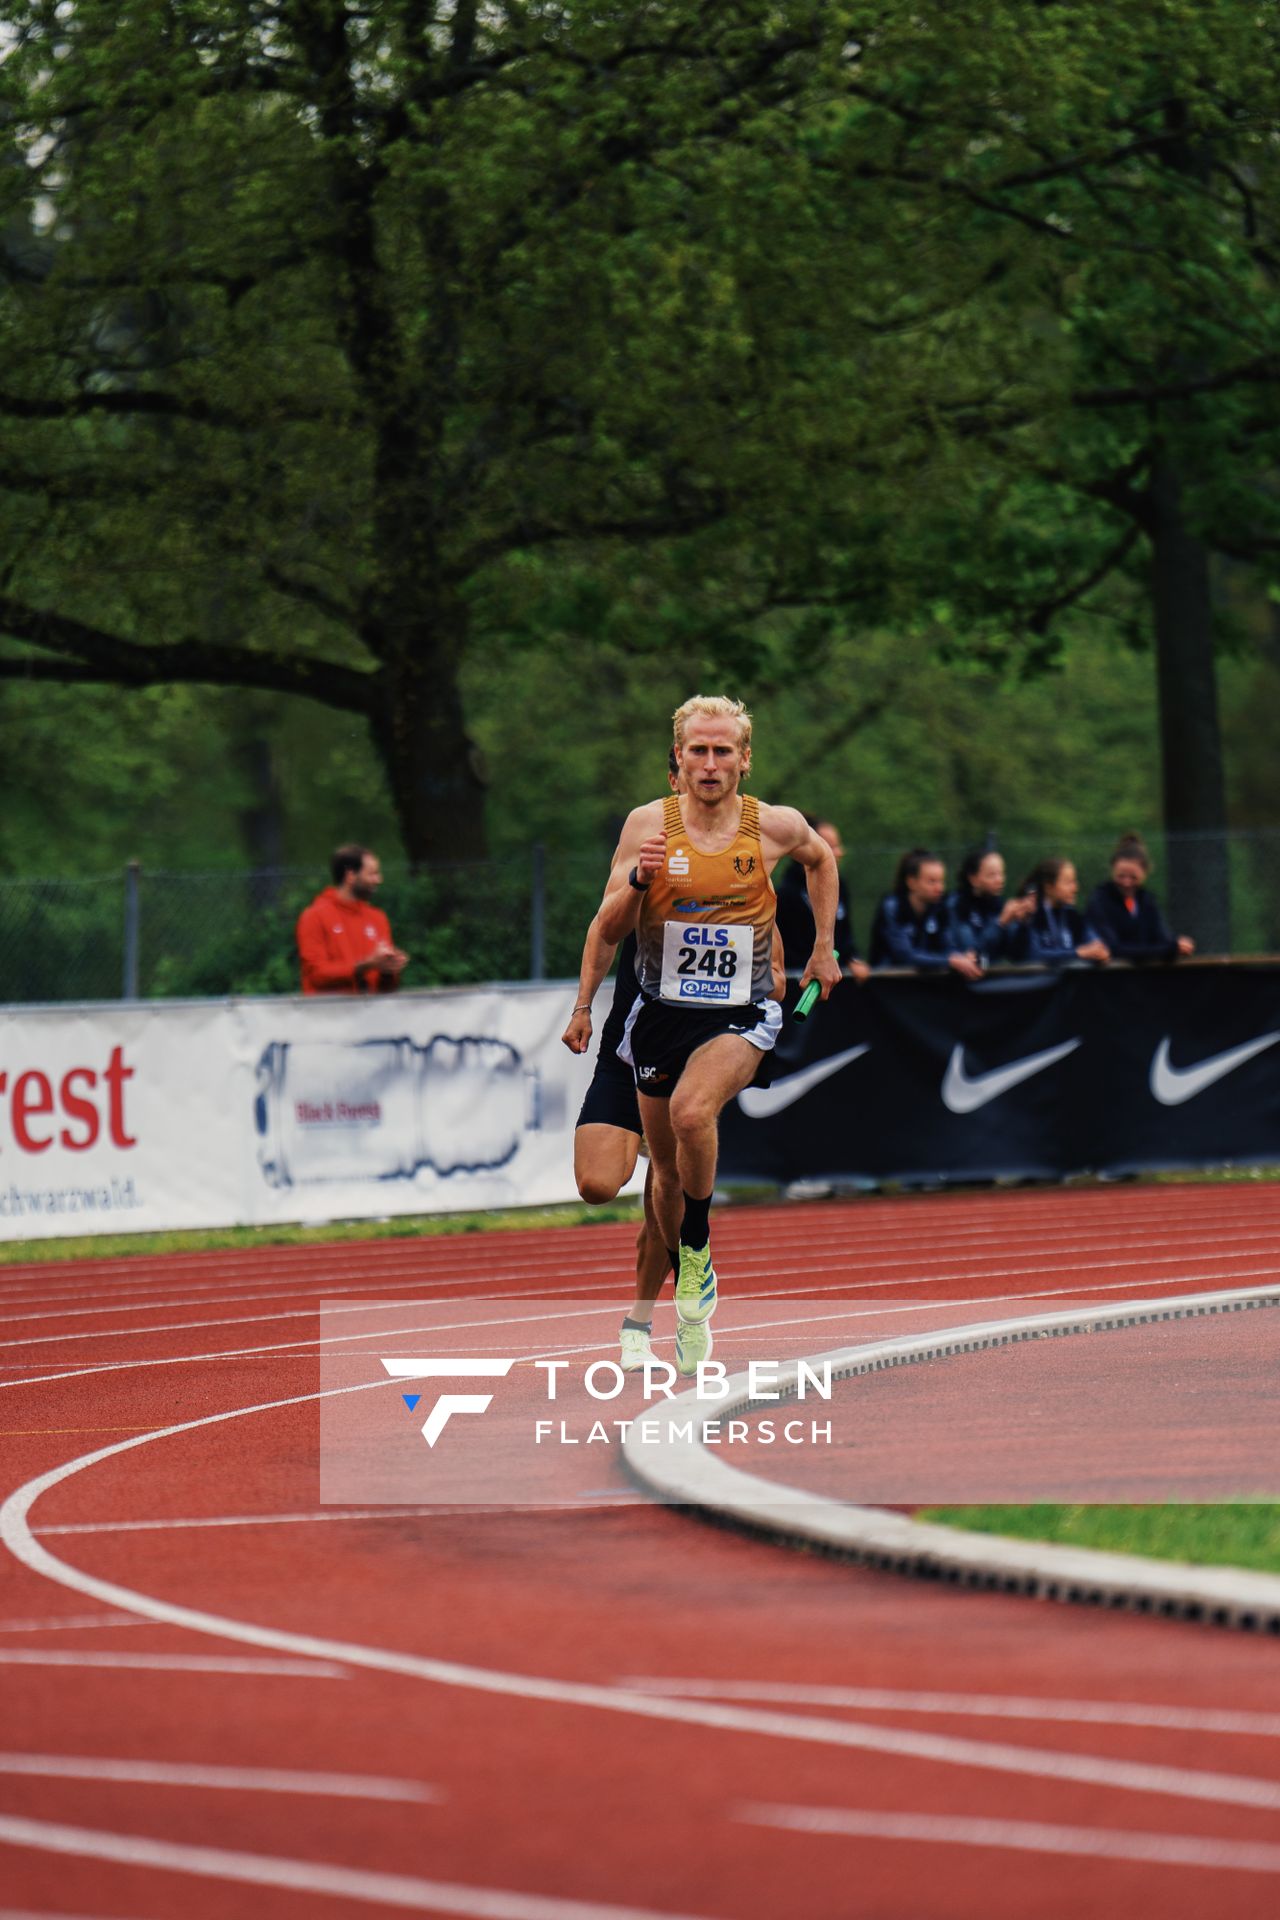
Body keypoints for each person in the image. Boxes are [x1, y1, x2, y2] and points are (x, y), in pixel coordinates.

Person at [596, 695, 840, 1376]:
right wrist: (639, 880)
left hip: (744, 1010)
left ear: (745, 758)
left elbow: (821, 862)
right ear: (678, 757)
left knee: (692, 1111)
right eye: (698, 750)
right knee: (664, 1171)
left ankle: (696, 1246)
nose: (710, 763)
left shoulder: (775, 825)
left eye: (722, 750)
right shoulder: (648, 824)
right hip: (659, 1013)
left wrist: (824, 947)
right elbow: (609, 922)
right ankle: (668, 1288)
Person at [563, 750, 786, 1373]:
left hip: (703, 1036)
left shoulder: (746, 862)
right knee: (598, 1185)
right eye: (695, 763)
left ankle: (647, 1317)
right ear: (675, 784)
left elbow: (767, 951)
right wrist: (583, 1006)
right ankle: (660, 1164)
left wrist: (788, 975)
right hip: (635, 1031)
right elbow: (603, 929)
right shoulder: (650, 841)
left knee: (669, 1171)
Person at [296, 845, 408, 995]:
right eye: (372, 874)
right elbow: (317, 975)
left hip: (372, 1013)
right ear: (350, 876)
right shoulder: (314, 916)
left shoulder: (377, 917)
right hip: (329, 1015)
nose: (379, 880)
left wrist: (389, 970)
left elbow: (386, 988)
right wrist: (364, 966)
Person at [775, 815, 870, 982]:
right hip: (800, 983)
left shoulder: (841, 885)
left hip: (834, 980)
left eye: (838, 846)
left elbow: (845, 935)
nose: (839, 852)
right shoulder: (786, 893)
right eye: (831, 847)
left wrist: (852, 958)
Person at [868, 849, 984, 979]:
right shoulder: (892, 907)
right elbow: (906, 955)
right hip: (887, 983)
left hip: (926, 982)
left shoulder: (940, 908)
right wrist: (951, 960)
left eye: (941, 881)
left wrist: (961, 957)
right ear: (911, 882)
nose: (940, 888)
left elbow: (948, 945)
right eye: (932, 881)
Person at [1085, 833, 1196, 964]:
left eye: (1133, 877)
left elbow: (1162, 937)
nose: (1126, 883)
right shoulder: (1099, 901)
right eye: (1121, 876)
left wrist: (1178, 945)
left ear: (1145, 873)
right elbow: (1113, 948)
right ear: (1112, 870)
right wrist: (1168, 948)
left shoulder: (1147, 901)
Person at [1015, 858, 1111, 967]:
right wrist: (1078, 953)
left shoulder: (1072, 914)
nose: (1075, 888)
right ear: (1049, 887)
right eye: (1068, 882)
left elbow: (1093, 939)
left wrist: (1100, 950)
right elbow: (1033, 955)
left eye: (1074, 881)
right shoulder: (1030, 915)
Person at [946, 848, 1035, 965]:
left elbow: (1017, 956)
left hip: (994, 977)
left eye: (1001, 873)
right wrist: (1000, 923)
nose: (1000, 880)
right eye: (992, 875)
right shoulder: (957, 905)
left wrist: (1024, 924)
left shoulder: (998, 904)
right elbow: (971, 952)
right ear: (973, 879)